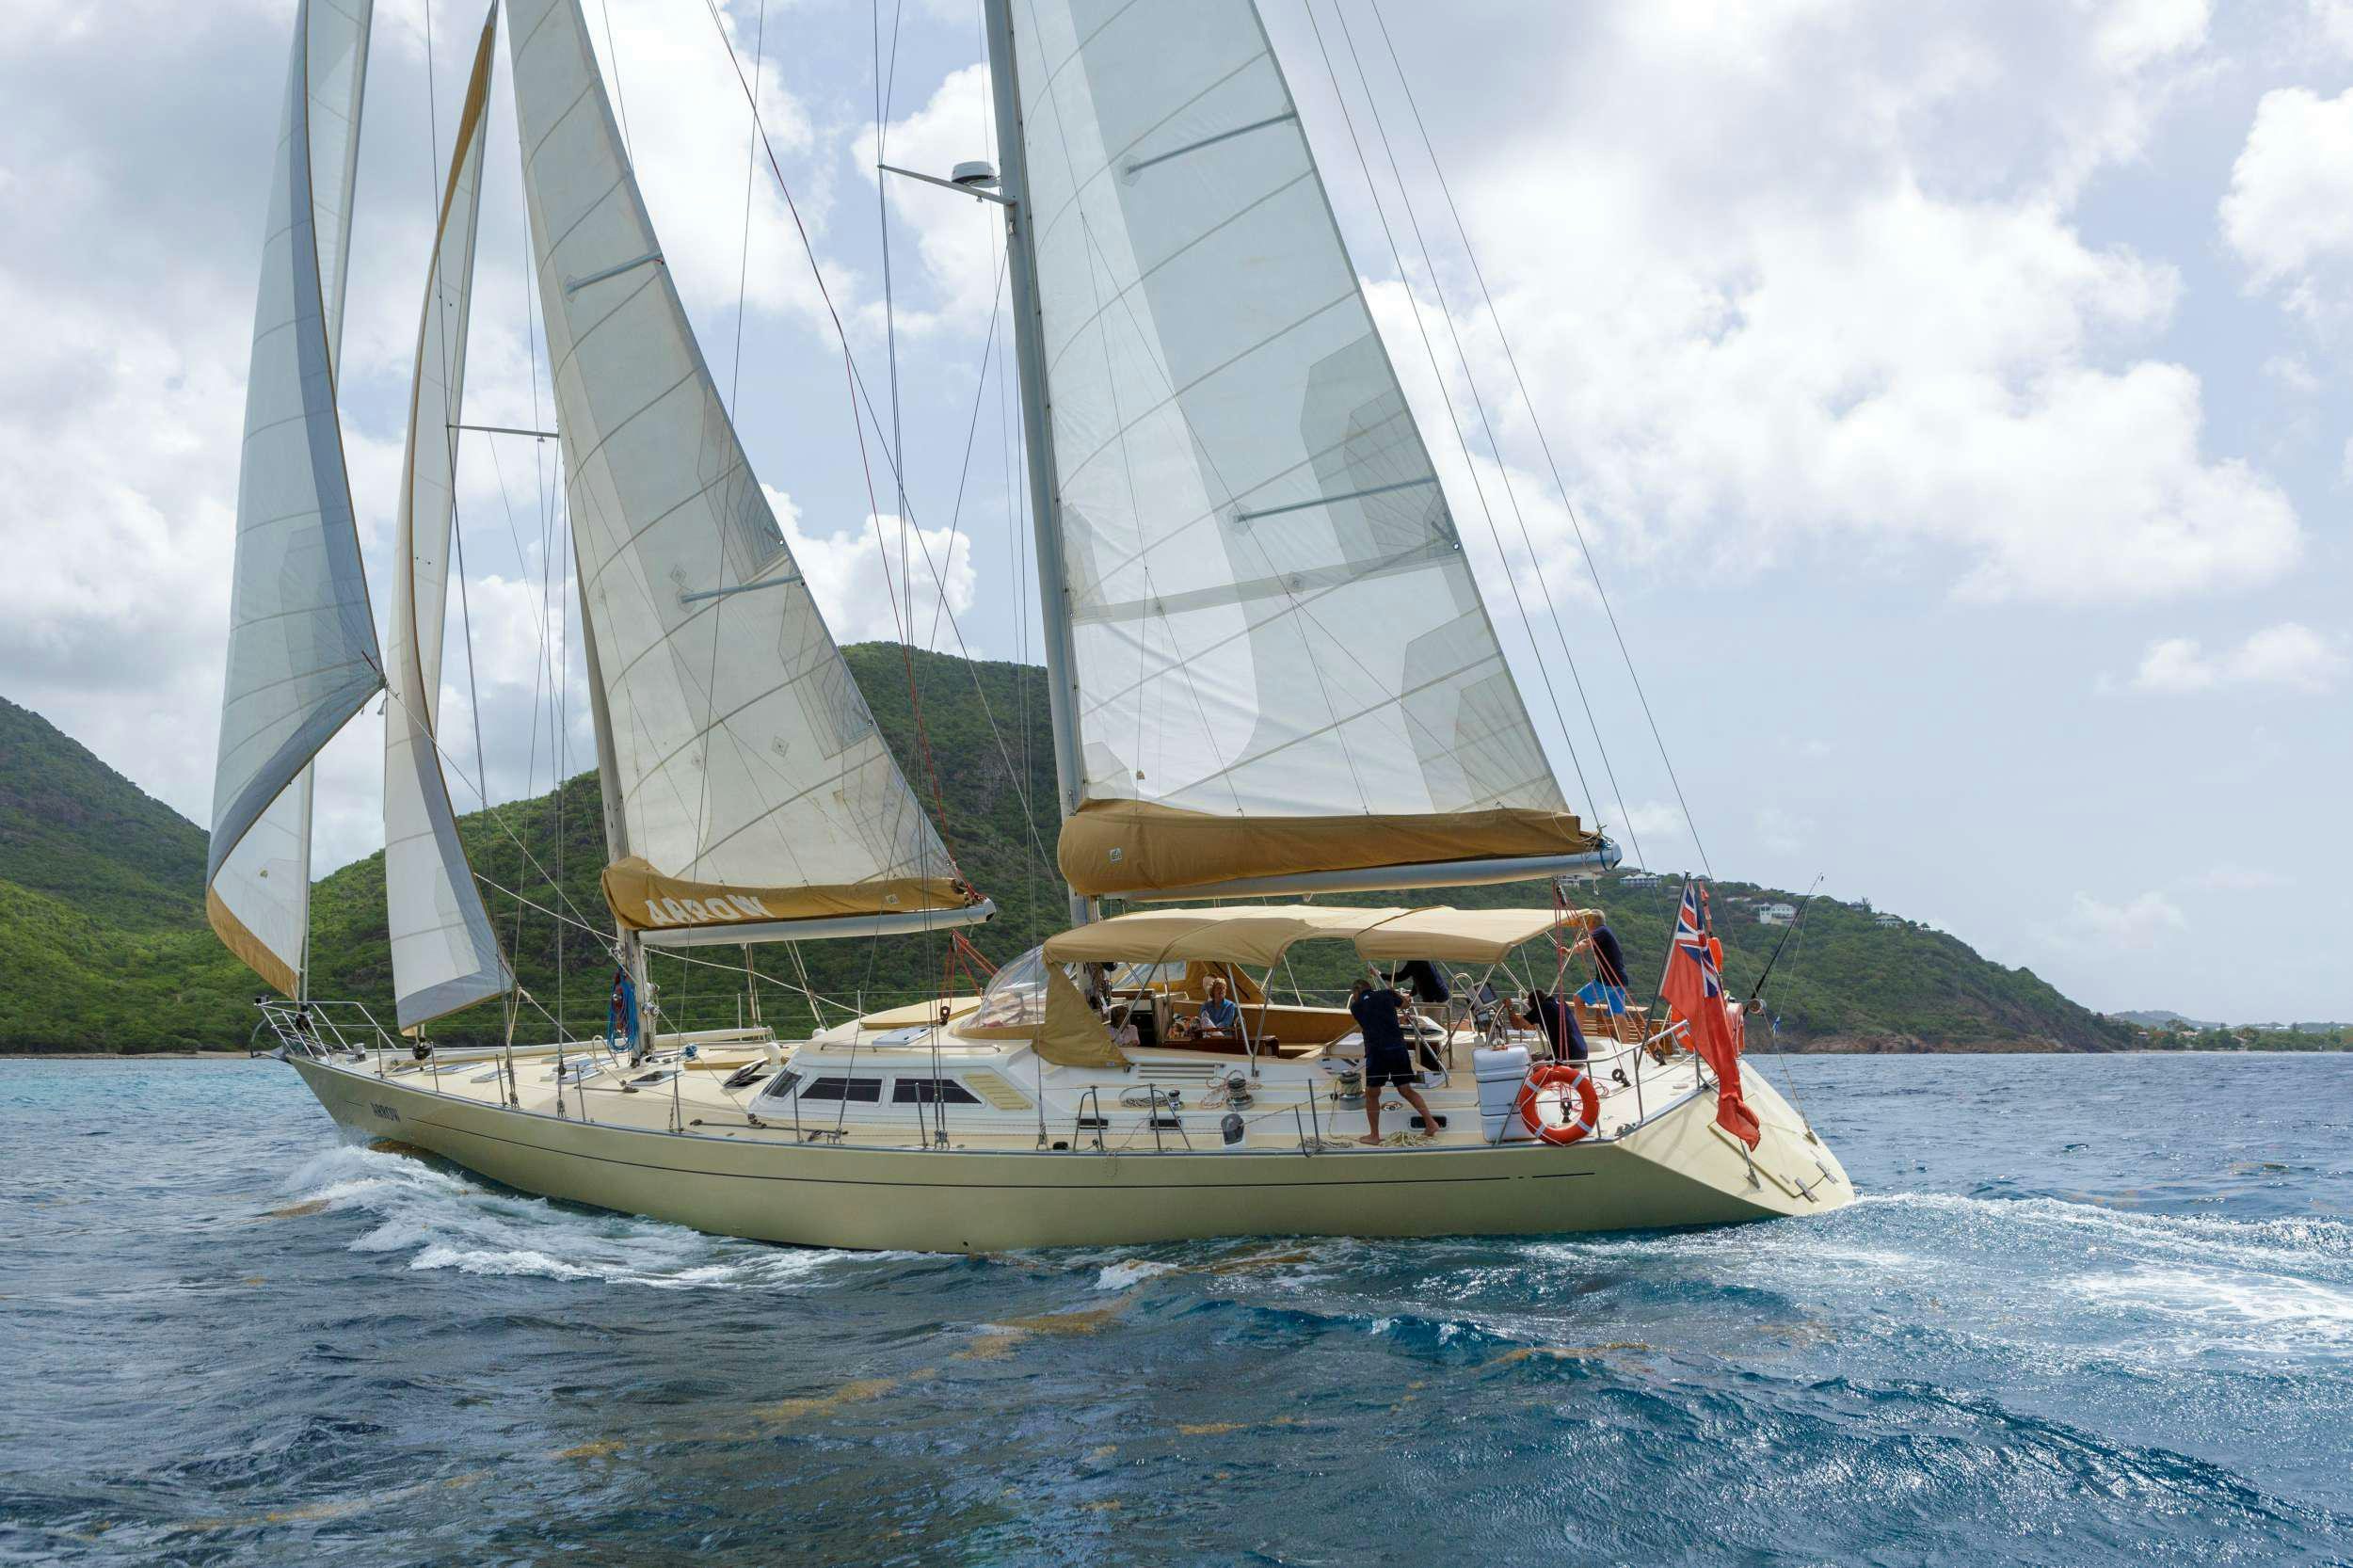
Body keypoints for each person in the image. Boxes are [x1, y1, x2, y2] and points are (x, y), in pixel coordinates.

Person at [1350, 978, 1445, 1144]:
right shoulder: (1386, 994)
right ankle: (1431, 1123)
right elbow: (1405, 1005)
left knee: (1372, 1093)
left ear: (1357, 991)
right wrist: (1393, 992)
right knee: (1405, 1089)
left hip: (1377, 1051)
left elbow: (1372, 1021)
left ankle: (1374, 1136)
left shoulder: (1355, 1007)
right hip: (1397, 1048)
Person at [1513, 987, 1589, 1064]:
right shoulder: (1560, 1002)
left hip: (1568, 1056)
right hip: (1582, 1053)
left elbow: (1517, 1025)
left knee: (1531, 1067)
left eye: (1529, 1004)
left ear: (1533, 1003)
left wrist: (1510, 1008)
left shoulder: (1541, 1008)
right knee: (1537, 1059)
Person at [1573, 920, 1632, 1017]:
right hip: (1620, 979)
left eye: (1587, 922)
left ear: (1593, 922)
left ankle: (1577, 1028)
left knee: (1578, 999)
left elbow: (1586, 942)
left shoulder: (1600, 930)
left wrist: (1569, 951)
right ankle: (1623, 1029)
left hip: (1608, 979)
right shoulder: (1606, 931)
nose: (1586, 927)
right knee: (1619, 1015)